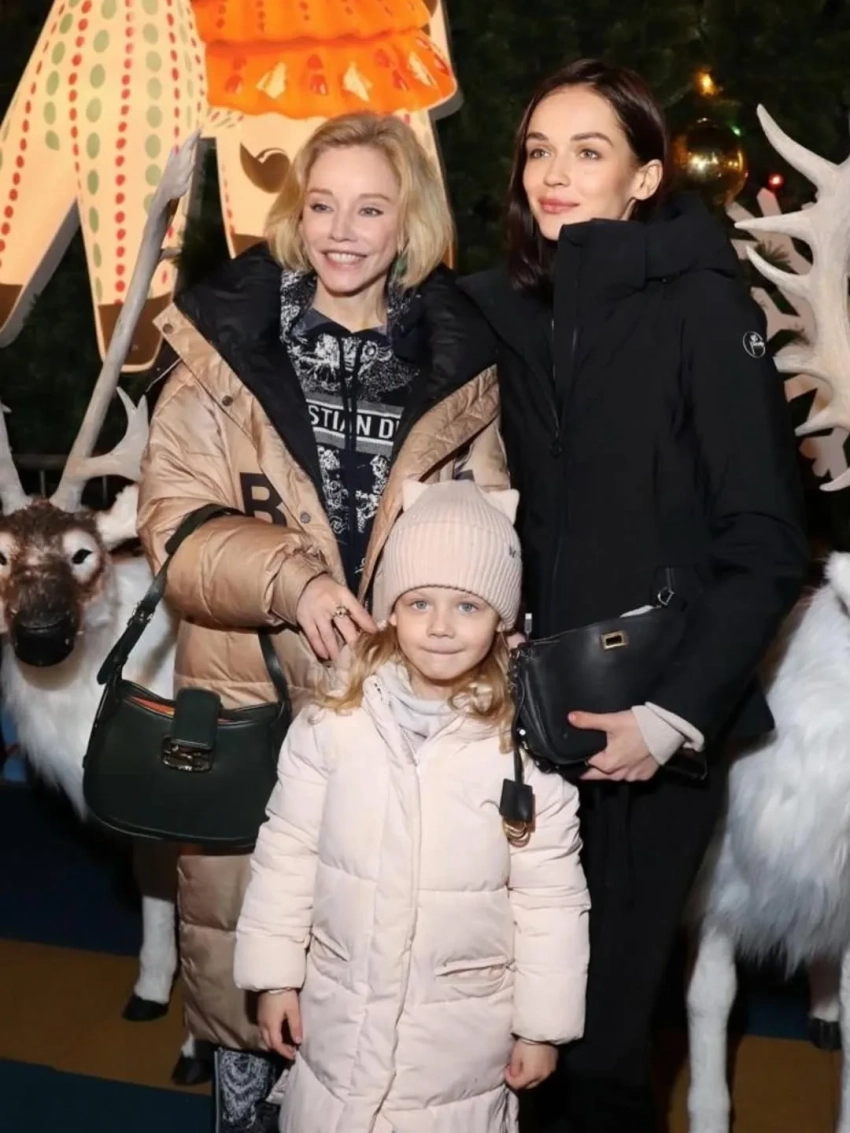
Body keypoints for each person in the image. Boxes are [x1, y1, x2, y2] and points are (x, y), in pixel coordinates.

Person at [137, 112, 507, 1132]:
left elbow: (488, 532)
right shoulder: (221, 345)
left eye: (371, 208)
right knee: (248, 991)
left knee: (376, 1017)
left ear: (408, 222)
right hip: (253, 702)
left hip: (403, 720)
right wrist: (294, 580)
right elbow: (172, 526)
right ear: (296, 214)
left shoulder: (459, 360)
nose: (343, 231)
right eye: (323, 204)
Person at [460, 59, 809, 1132]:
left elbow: (766, 542)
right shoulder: (501, 310)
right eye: (537, 151)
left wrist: (669, 719)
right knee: (498, 1034)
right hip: (515, 725)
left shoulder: (703, 306)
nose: (554, 175)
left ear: (646, 176)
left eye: (588, 151)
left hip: (647, 735)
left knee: (603, 1049)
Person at [234, 480, 590, 1132]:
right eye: (420, 601)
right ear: (391, 610)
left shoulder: (526, 746)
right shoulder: (334, 721)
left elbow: (551, 899)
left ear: (503, 619)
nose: (441, 626)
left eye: (468, 605)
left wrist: (542, 1026)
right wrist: (274, 977)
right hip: (337, 1028)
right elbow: (287, 851)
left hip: (458, 1051)